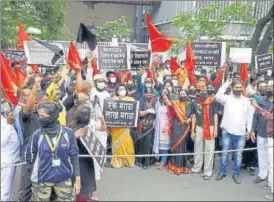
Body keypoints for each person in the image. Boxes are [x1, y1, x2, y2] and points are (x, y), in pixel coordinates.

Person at [25, 102, 81, 201]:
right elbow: (30, 157)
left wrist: (77, 180)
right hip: (42, 179)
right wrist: (34, 171)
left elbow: (74, 156)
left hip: (64, 177)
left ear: (52, 117)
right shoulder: (37, 135)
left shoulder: (68, 133)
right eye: (39, 115)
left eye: (42, 116)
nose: (39, 118)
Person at [215, 79, 254, 184]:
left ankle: (236, 174)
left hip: (241, 133)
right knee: (224, 153)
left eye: (240, 87)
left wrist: (249, 130)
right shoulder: (227, 99)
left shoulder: (246, 101)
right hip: (227, 131)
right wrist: (227, 82)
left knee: (238, 155)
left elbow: (250, 117)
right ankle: (222, 171)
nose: (239, 89)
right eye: (236, 87)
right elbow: (218, 95)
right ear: (232, 88)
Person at [70, 106, 103, 202]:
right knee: (81, 188)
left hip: (86, 162)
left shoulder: (75, 126)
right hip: (81, 163)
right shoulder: (79, 130)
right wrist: (74, 137)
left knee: (83, 188)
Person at [18, 74, 43, 202]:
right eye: (25, 96)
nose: (29, 98)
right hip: (29, 155)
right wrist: (35, 86)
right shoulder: (24, 114)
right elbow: (28, 104)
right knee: (26, 185)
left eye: (30, 95)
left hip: (43, 154)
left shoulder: (41, 112)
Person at [164, 89, 195, 175]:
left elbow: (193, 115)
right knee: (175, 145)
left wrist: (189, 119)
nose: (182, 95)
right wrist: (165, 95)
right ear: (179, 95)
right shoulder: (176, 103)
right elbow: (168, 103)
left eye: (184, 94)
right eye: (181, 94)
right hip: (176, 126)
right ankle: (173, 166)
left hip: (185, 127)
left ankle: (182, 167)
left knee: (182, 146)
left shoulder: (190, 104)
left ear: (187, 95)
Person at [191, 83, 218, 180]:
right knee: (198, 148)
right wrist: (192, 130)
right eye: (201, 90)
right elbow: (193, 116)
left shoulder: (213, 101)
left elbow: (215, 115)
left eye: (204, 89)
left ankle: (207, 171)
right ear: (198, 91)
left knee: (209, 149)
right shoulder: (194, 101)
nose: (203, 91)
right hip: (198, 127)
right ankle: (197, 167)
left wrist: (215, 128)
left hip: (209, 127)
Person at [251, 95, 273, 201]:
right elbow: (257, 116)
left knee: (272, 163)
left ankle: (272, 188)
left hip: (272, 136)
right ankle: (266, 179)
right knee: (264, 157)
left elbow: (269, 116)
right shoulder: (263, 99)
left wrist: (257, 107)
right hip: (264, 133)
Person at [109, 84, 135, 168]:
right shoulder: (113, 100)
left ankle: (128, 161)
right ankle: (117, 161)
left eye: (123, 89)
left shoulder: (130, 99)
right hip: (116, 127)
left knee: (127, 142)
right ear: (117, 91)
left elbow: (135, 109)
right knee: (117, 143)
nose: (122, 90)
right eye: (120, 89)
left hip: (126, 127)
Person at [1, 99, 20, 201]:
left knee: (9, 189)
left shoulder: (4, 118)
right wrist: (9, 125)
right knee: (5, 190)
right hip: (5, 161)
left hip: (11, 160)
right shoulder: (5, 121)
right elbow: (2, 141)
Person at [136, 87, 157, 169]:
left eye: (150, 93)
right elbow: (139, 113)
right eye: (147, 93)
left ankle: (147, 162)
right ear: (144, 93)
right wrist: (147, 111)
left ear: (153, 93)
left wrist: (155, 120)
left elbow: (158, 113)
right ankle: (141, 161)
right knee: (142, 144)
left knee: (149, 144)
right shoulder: (141, 101)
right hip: (142, 125)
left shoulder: (156, 101)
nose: (149, 95)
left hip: (152, 126)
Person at [154, 83, 171, 170]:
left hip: (166, 126)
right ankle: (161, 160)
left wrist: (167, 125)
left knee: (165, 146)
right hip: (158, 126)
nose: (164, 94)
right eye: (163, 93)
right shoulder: (158, 103)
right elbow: (156, 114)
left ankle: (163, 162)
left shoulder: (169, 103)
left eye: (166, 92)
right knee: (159, 144)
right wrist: (154, 121)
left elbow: (171, 115)